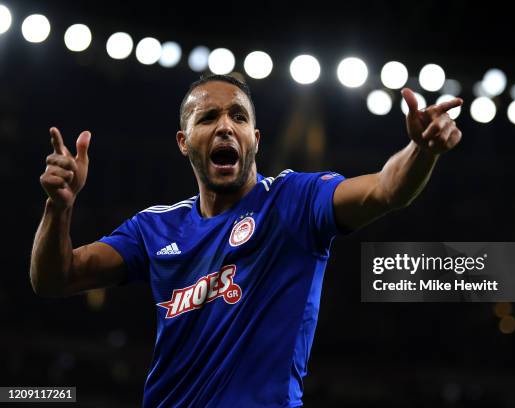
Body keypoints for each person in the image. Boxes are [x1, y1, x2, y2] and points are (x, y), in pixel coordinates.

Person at [30, 74, 463, 407]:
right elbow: (54, 279)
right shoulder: (154, 228)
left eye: (238, 117)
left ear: (255, 139)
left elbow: (385, 189)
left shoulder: (295, 202)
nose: (225, 127)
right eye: (207, 117)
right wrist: (59, 207)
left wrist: (421, 150)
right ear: (184, 142)